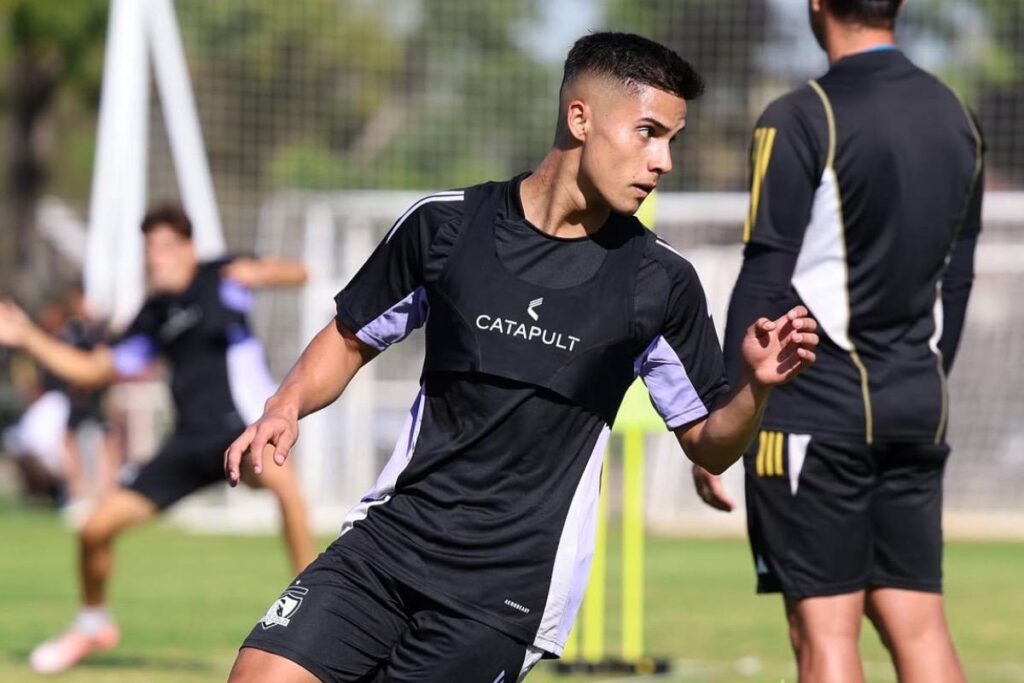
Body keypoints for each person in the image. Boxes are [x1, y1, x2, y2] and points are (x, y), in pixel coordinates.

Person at [223, 32, 819, 683]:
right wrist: (285, 405)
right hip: (388, 542)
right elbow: (349, 336)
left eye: (672, 139)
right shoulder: (444, 226)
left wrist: (756, 388)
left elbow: (709, 443)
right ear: (580, 117)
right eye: (649, 132)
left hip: (506, 590)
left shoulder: (659, 282)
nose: (664, 160)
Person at [692, 2, 983, 682]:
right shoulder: (958, 120)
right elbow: (959, 287)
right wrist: (914, 381)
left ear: (816, 4)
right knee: (920, 626)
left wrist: (722, 414)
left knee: (823, 634)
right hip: (916, 406)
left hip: (813, 418)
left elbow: (765, 276)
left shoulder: (799, 116)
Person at [0, 204, 316, 674]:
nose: (156, 258)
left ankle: (313, 614)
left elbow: (301, 274)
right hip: (189, 443)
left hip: (244, 432)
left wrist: (265, 271)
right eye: (150, 248)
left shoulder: (222, 277)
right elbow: (91, 369)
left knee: (286, 487)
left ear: (189, 249)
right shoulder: (154, 314)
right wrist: (28, 337)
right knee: (94, 528)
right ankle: (92, 623)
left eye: (166, 247)